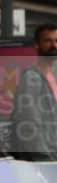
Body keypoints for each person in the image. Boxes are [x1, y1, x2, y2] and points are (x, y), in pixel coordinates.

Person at [9, 24, 57, 161]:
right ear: (36, 45)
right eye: (48, 41)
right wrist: (47, 162)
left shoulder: (53, 77)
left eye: (56, 41)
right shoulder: (31, 78)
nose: (54, 45)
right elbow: (28, 125)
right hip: (43, 164)